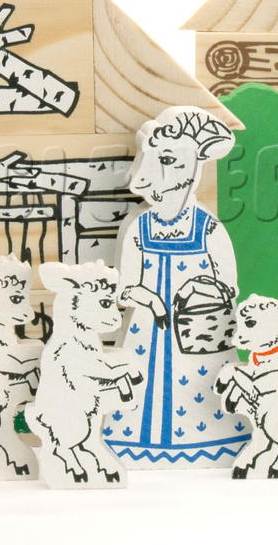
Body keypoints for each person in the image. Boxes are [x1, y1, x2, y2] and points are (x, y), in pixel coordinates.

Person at [105, 107, 249, 467]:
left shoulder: (209, 228)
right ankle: (139, 442)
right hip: (146, 333)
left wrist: (203, 297)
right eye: (160, 161)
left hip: (200, 333)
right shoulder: (139, 228)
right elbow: (125, 288)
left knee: (202, 390)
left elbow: (229, 288)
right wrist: (152, 301)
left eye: (173, 162)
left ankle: (211, 440)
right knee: (142, 387)